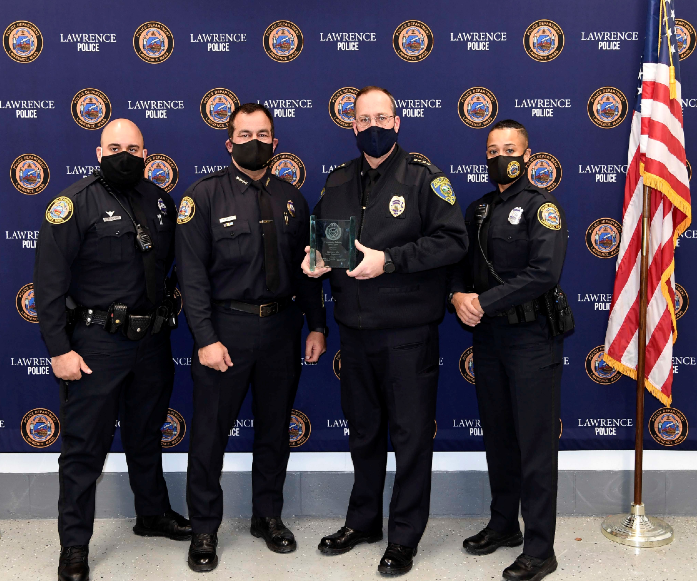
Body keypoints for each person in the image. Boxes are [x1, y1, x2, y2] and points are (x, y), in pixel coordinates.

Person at [303, 86, 468, 575]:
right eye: (362, 118)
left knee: (411, 436)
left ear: (397, 123)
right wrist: (315, 261)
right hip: (354, 334)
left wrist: (390, 261)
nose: (372, 125)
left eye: (382, 116)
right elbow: (323, 244)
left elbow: (452, 242)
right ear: (352, 126)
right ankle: (364, 521)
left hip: (407, 334)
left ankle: (404, 536)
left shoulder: (424, 179)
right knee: (364, 434)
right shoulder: (336, 182)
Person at [34, 119, 191, 581]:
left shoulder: (161, 201)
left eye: (135, 147)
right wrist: (59, 350)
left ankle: (152, 514)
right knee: (84, 450)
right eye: (116, 146)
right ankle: (74, 546)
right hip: (95, 345)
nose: (126, 154)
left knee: (146, 436)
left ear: (147, 153)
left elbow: (177, 269)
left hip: (152, 343)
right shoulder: (73, 204)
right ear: (98, 152)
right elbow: (48, 284)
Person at [175, 103, 327, 572]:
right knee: (208, 436)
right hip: (226, 331)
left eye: (263, 133)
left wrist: (317, 324)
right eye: (244, 134)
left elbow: (307, 273)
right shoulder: (202, 197)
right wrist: (205, 338)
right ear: (229, 143)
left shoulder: (292, 199)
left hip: (282, 329)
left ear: (275, 143)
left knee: (274, 430)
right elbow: (192, 277)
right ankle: (204, 528)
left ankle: (268, 517)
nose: (253, 141)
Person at [449, 119, 568, 581]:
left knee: (535, 446)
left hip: (531, 340)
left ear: (527, 154)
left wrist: (482, 301)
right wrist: (458, 296)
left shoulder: (542, 209)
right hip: (489, 340)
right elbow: (459, 265)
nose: (501, 154)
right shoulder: (477, 209)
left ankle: (541, 549)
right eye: (493, 148)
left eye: (510, 147)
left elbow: (543, 273)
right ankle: (504, 527)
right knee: (499, 439)